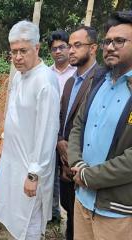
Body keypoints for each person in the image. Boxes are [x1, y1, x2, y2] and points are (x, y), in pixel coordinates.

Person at [0, 20, 60, 240]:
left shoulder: (45, 81)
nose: (17, 57)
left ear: (36, 48)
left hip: (31, 167)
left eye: (23, 51)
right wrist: (3, 142)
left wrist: (34, 173)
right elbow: (13, 113)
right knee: (13, 216)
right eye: (13, 52)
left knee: (29, 221)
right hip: (13, 159)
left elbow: (47, 133)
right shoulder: (20, 75)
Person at [68, 11, 132, 240]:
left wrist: (89, 177)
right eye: (107, 41)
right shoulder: (99, 81)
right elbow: (78, 125)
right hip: (82, 201)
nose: (111, 47)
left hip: (116, 213)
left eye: (120, 41)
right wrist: (77, 163)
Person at [57, 26, 104, 240]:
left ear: (93, 48)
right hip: (65, 161)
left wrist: (76, 159)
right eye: (70, 46)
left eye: (77, 45)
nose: (70, 51)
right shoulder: (69, 82)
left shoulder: (103, 80)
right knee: (70, 215)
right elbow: (60, 118)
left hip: (86, 166)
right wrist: (59, 142)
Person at [47, 29, 76, 224]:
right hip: (49, 130)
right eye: (54, 49)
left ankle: (72, 213)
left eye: (61, 47)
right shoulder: (46, 73)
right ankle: (53, 212)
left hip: (70, 132)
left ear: (69, 48)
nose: (58, 52)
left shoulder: (77, 74)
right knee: (50, 172)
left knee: (68, 172)